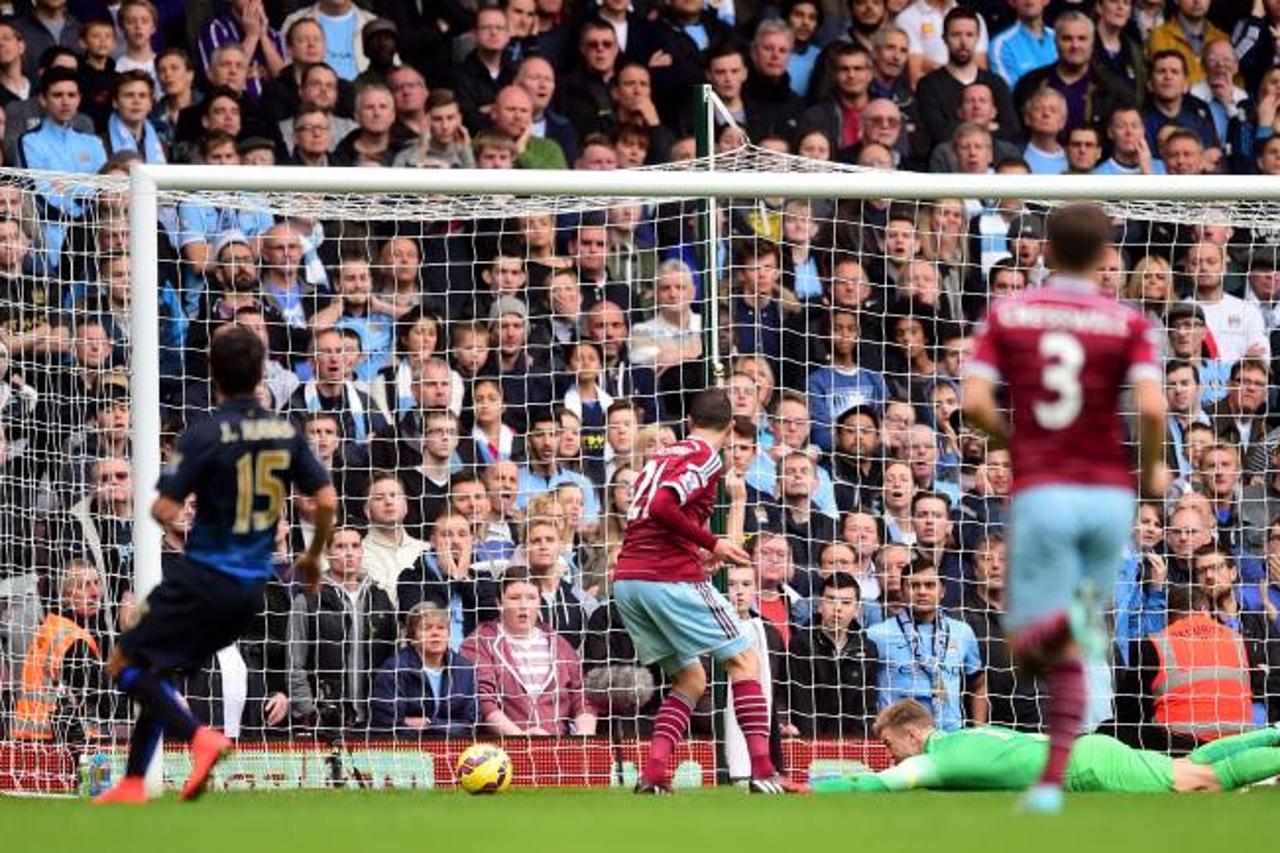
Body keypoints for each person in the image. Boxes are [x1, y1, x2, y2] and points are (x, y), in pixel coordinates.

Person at [962, 201, 1168, 813]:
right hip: (1109, 496)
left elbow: (973, 402)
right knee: (1081, 627)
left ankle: (1034, 645)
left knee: (1033, 635)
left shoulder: (1010, 312)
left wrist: (1017, 443)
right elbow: (1153, 410)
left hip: (1047, 490)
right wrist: (1153, 465)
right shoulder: (1129, 321)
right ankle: (1053, 781)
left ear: (1045, 251)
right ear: (1108, 258)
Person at [94, 326, 336, 804]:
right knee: (158, 669)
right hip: (252, 589)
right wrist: (311, 555)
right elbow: (325, 496)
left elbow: (164, 511)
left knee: (123, 661)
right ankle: (134, 780)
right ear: (261, 372)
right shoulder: (285, 432)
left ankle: (197, 736)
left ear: (213, 374)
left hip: (203, 576)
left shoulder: (203, 433)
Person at [613, 388, 802, 794]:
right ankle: (763, 771)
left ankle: (654, 775)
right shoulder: (705, 457)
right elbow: (664, 507)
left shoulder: (661, 456)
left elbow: (650, 518)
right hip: (666, 578)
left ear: (689, 422)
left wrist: (699, 549)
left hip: (629, 580)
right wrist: (712, 543)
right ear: (731, 427)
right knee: (745, 659)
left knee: (691, 678)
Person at [813, 698, 1280, 794]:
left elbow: (880, 785)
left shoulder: (939, 759)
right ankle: (1274, 730)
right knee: (1191, 762)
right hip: (1087, 750)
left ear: (914, 734)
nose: (893, 756)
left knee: (1203, 781)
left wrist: (816, 786)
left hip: (1088, 770)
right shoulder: (969, 733)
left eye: (893, 745)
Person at [368, 601, 477, 736]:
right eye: (427, 628)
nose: (435, 633)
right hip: (406, 751)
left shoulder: (465, 669)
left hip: (454, 748)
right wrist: (445, 727)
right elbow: (386, 724)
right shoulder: (393, 671)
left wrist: (429, 723)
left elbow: (472, 724)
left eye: (441, 628)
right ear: (412, 638)